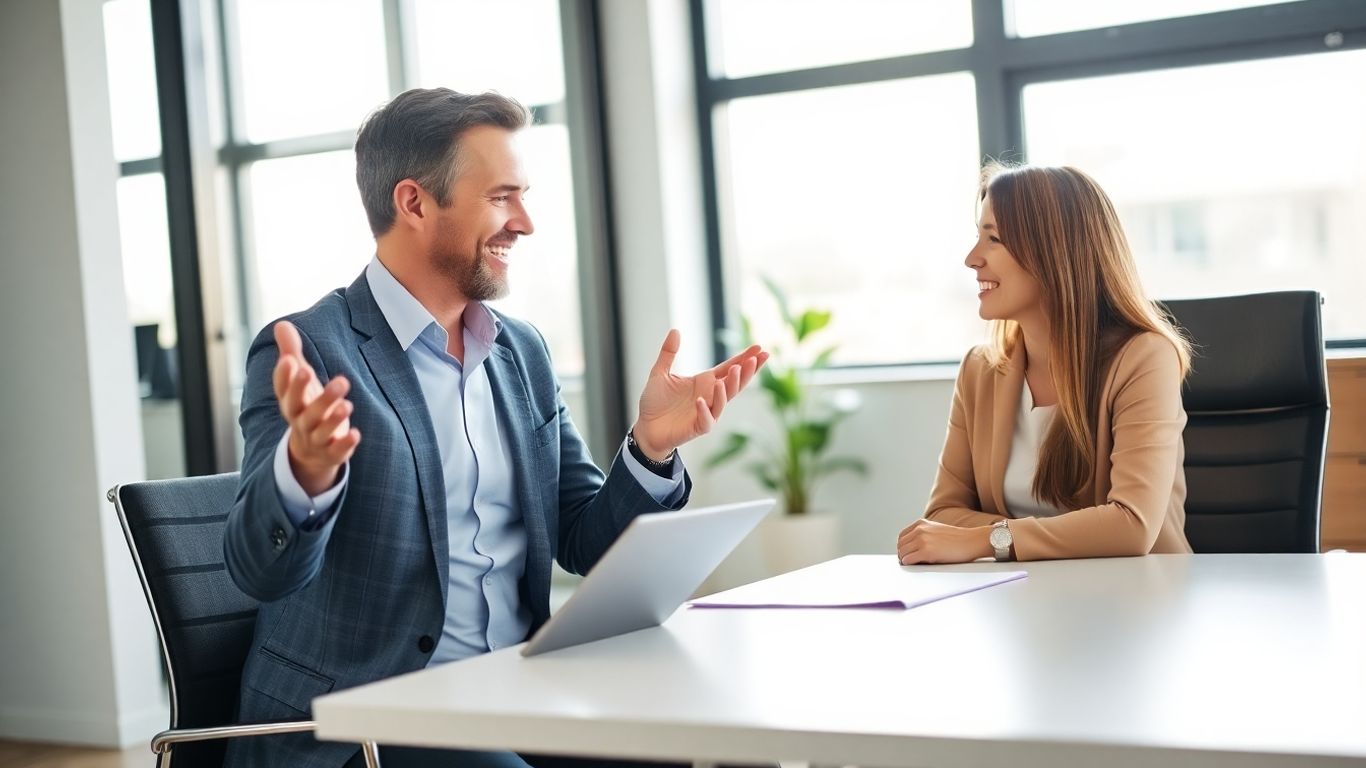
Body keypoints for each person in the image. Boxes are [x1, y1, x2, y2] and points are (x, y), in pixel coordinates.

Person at [223, 88, 768, 768]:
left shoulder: (521, 352)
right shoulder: (310, 352)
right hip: (369, 721)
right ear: (415, 203)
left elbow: (583, 541)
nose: (527, 222)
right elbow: (257, 570)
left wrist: (652, 447)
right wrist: (306, 472)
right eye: (501, 197)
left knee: (730, 746)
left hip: (519, 696)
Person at [896, 164, 1193, 565]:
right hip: (1021, 600)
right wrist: (1059, 536)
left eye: (994, 239)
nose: (972, 259)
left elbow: (1132, 525)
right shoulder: (979, 370)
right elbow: (942, 515)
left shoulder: (1143, 358)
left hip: (1134, 603)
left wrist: (986, 540)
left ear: (1054, 252)